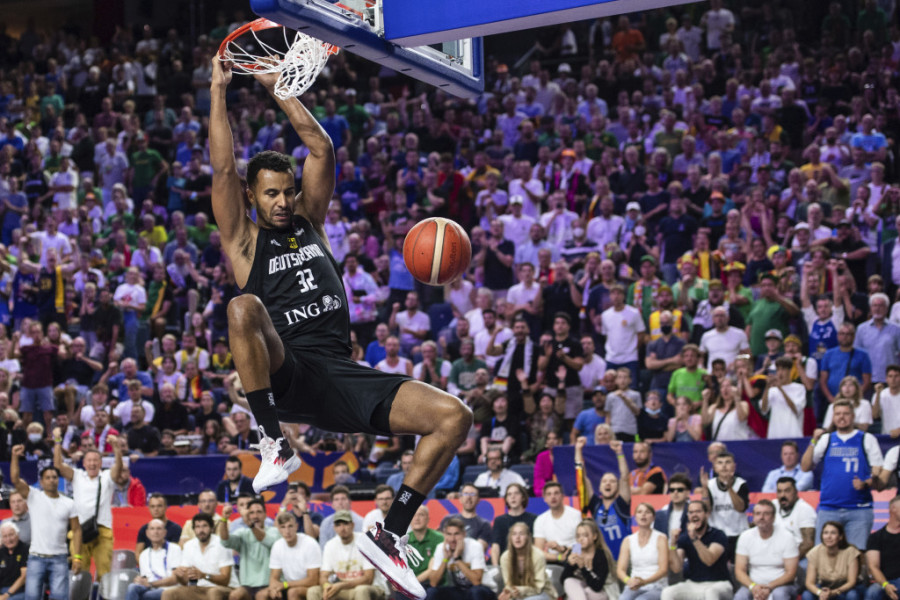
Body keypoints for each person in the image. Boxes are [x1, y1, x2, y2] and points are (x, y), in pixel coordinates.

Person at [211, 53, 470, 600]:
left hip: (340, 372)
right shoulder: (245, 242)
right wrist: (219, 91)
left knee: (454, 417)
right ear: (252, 197)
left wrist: (278, 87)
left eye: (288, 191)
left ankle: (390, 535)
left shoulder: (311, 222)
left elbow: (322, 149)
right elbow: (222, 169)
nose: (283, 201)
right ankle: (273, 441)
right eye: (271, 193)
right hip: (288, 367)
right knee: (242, 308)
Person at [801, 400, 883, 550]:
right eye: (838, 414)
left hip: (859, 508)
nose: (841, 417)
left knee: (856, 555)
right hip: (829, 507)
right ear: (833, 417)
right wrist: (813, 441)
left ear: (853, 416)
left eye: (846, 413)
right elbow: (805, 467)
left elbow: (878, 471)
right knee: (824, 554)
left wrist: (866, 482)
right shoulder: (827, 439)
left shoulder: (866, 439)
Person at [10, 445, 81, 600]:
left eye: (54, 477)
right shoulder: (33, 496)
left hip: (60, 558)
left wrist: (77, 557)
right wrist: (14, 457)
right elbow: (15, 479)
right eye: (47, 478)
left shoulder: (69, 503)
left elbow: (77, 530)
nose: (51, 480)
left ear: (58, 480)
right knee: (32, 597)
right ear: (41, 482)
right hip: (36, 557)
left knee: (60, 597)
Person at [53, 430, 123, 579]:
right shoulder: (77, 475)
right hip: (79, 531)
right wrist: (57, 440)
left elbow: (118, 469)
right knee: (79, 574)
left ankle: (103, 592)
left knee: (105, 574)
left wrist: (116, 448)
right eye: (89, 461)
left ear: (101, 463)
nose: (92, 464)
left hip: (102, 531)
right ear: (84, 463)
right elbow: (58, 464)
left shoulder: (106, 476)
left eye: (95, 460)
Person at [662, 500, 733, 600]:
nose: (694, 515)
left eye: (698, 511)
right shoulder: (684, 538)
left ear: (707, 514)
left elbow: (709, 560)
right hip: (693, 584)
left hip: (719, 584)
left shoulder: (718, 535)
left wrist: (694, 539)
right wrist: (673, 544)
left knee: (711, 592)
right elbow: (676, 568)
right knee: (668, 592)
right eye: (691, 512)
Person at [733, 500, 799, 600]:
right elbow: (739, 571)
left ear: (773, 518)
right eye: (758, 514)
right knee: (740, 596)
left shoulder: (787, 537)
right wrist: (753, 587)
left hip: (781, 586)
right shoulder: (745, 537)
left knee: (779, 595)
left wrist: (769, 587)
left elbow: (791, 573)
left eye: (766, 514)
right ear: (753, 517)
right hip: (754, 585)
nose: (761, 517)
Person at [578, 438, 632, 560]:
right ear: (599, 488)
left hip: (624, 560)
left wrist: (619, 452)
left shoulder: (622, 504)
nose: (608, 483)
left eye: (612, 481)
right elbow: (582, 477)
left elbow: (624, 477)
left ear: (618, 487)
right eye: (604, 481)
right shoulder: (595, 505)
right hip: (602, 561)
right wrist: (578, 450)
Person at [217, 497, 281, 600]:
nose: (255, 516)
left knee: (261, 596)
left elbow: (265, 539)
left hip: (269, 584)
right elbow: (225, 541)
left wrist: (251, 525)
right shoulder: (243, 533)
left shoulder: (275, 532)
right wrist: (224, 519)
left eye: (259, 512)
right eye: (251, 513)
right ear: (248, 515)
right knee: (234, 596)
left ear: (265, 515)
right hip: (247, 586)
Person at [164, 513, 238, 600]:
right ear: (194, 530)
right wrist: (179, 576)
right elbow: (185, 582)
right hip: (199, 589)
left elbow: (225, 580)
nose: (201, 530)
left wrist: (204, 575)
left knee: (213, 592)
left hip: (226, 588)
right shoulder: (188, 546)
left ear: (211, 528)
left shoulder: (222, 544)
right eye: (197, 527)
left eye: (204, 526)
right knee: (168, 593)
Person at [258, 512, 321, 600]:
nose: (287, 531)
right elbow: (274, 578)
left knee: (293, 592)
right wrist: (273, 589)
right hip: (289, 585)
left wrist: (285, 585)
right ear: (279, 529)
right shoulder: (277, 545)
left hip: (313, 587)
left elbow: (313, 580)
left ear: (296, 526)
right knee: (261, 595)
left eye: (290, 526)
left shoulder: (310, 543)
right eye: (283, 527)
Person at [425, 517, 492, 600]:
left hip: (483, 589)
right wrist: (445, 559)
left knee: (475, 591)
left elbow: (476, 582)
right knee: (432, 591)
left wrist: (457, 558)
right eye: (449, 534)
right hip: (458, 590)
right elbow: (433, 583)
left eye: (456, 534)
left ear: (464, 534)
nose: (452, 539)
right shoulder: (441, 548)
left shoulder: (475, 546)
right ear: (444, 535)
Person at [701, 451, 748, 561]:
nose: (724, 466)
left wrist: (729, 487)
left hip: (739, 534)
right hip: (717, 535)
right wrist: (704, 489)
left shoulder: (741, 484)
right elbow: (707, 510)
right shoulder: (710, 485)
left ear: (734, 466)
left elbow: (740, 508)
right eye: (720, 463)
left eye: (728, 462)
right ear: (715, 468)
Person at [616, 503, 668, 600]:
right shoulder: (628, 540)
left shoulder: (661, 538)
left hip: (656, 585)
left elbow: (663, 570)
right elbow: (620, 570)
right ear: (635, 517)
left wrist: (645, 582)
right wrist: (628, 580)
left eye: (647, 512)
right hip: (634, 586)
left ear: (653, 517)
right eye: (640, 512)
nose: (643, 515)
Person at [803, 521, 862, 600]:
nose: (828, 536)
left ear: (840, 537)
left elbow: (851, 582)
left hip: (845, 589)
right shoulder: (815, 552)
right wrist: (820, 593)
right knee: (807, 595)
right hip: (824, 587)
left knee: (852, 595)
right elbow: (809, 583)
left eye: (833, 533)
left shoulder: (850, 551)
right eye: (825, 533)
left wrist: (833, 592)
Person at [127, 519, 184, 600]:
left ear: (165, 532)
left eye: (159, 529)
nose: (155, 532)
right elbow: (145, 579)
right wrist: (140, 581)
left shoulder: (175, 549)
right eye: (152, 529)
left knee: (145, 596)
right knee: (132, 587)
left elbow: (175, 579)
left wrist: (151, 584)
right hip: (150, 588)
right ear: (147, 533)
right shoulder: (144, 554)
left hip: (168, 589)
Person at [560, 520, 617, 600]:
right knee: (569, 581)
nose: (581, 539)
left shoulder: (601, 555)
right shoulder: (576, 549)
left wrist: (583, 568)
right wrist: (569, 565)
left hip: (600, 592)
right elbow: (563, 580)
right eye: (578, 536)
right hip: (579, 593)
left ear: (594, 536)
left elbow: (597, 586)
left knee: (587, 591)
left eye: (585, 535)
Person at [498, 523, 553, 600]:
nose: (517, 537)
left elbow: (539, 587)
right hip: (517, 595)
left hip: (540, 593)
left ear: (528, 537)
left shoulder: (538, 555)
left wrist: (520, 590)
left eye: (521, 534)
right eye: (514, 534)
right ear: (510, 537)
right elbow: (508, 584)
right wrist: (508, 592)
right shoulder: (505, 557)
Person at [533, 482, 582, 564]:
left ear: (562, 496)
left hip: (575, 558)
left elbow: (580, 544)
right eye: (549, 494)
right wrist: (559, 557)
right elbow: (538, 552)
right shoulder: (540, 520)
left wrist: (566, 553)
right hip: (553, 560)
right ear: (544, 498)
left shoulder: (575, 515)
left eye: (556, 493)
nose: (553, 497)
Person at [490, 483, 536, 566]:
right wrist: (496, 567)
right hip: (505, 563)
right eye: (509, 494)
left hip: (527, 563)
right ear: (506, 499)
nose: (513, 497)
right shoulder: (499, 520)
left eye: (516, 493)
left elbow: (536, 546)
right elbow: (495, 547)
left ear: (523, 497)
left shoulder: (534, 519)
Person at [864, 495, 900, 600]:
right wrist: (885, 585)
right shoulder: (876, 537)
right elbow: (873, 566)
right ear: (893, 509)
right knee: (872, 593)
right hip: (885, 581)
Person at [761, 357, 807, 439]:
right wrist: (767, 387)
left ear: (790, 371)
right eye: (778, 370)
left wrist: (781, 389)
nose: (780, 373)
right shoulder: (772, 390)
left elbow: (796, 409)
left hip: (794, 434)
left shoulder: (799, 388)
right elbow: (764, 409)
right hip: (775, 435)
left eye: (783, 369)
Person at [774, 477, 816, 563]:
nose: (782, 495)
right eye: (779, 491)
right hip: (775, 554)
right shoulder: (773, 506)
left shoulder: (805, 509)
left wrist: (788, 561)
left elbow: (808, 544)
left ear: (796, 492)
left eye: (787, 491)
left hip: (799, 556)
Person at [439, 484, 492, 551]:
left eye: (472, 494)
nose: (469, 497)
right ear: (460, 499)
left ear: (478, 500)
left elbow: (479, 549)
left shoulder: (484, 524)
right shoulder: (448, 519)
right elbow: (441, 544)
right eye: (466, 494)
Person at [407, 507, 444, 585]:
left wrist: (412, 584)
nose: (417, 518)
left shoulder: (439, 538)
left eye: (421, 515)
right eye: (414, 515)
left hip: (432, 583)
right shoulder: (403, 541)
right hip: (409, 583)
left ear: (428, 519)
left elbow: (433, 569)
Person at [0, 522, 27, 600]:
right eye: (5, 536)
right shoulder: (1, 551)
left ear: (18, 535)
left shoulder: (25, 549)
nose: (8, 539)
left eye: (11, 535)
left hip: (20, 591)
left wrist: (6, 595)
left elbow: (24, 577)